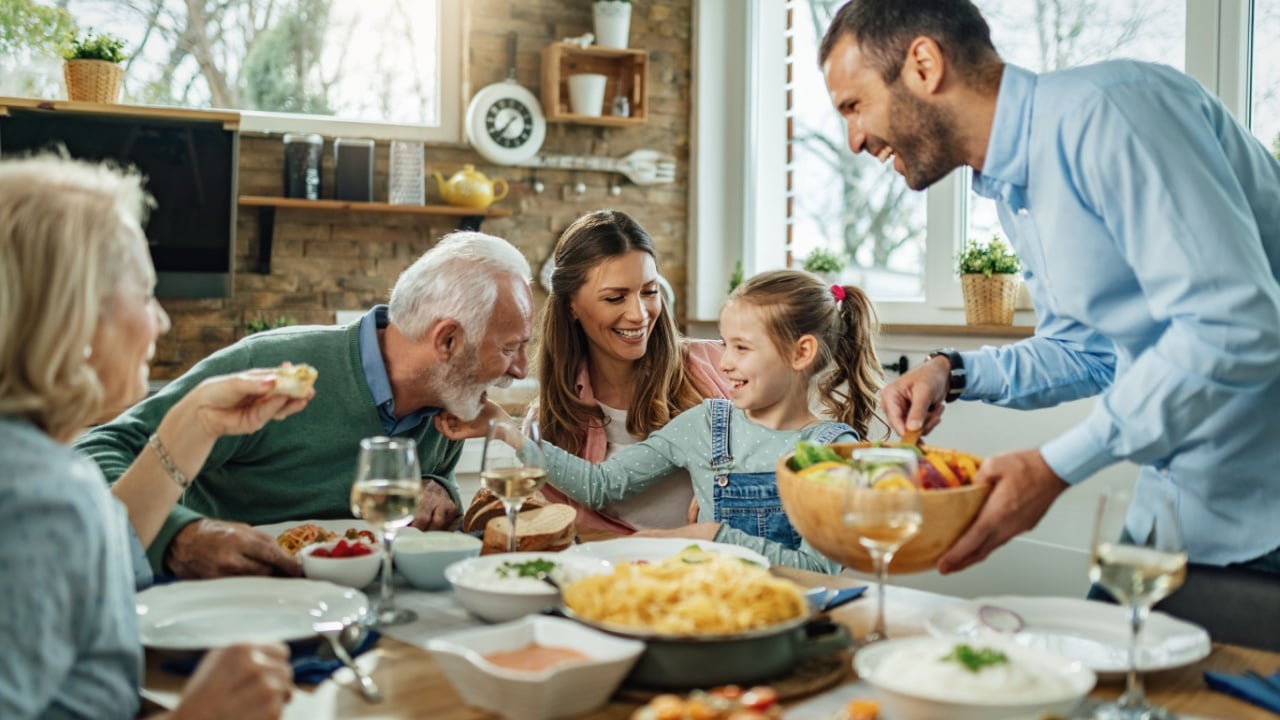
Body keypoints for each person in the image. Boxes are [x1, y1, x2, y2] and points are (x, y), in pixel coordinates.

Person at [820, 0, 1280, 575]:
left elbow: (1235, 326)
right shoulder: (1017, 188)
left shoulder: (1113, 112)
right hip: (1176, 515)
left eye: (854, 106)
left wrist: (1055, 467)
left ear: (923, 65)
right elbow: (1089, 352)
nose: (854, 140)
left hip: (1265, 521)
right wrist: (950, 371)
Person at [0, 155, 298, 719]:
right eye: (144, 294)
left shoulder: (30, 464)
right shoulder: (39, 496)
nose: (160, 321)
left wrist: (198, 419)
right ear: (75, 317)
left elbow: (101, 554)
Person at [76, 230, 534, 579]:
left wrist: (440, 490)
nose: (520, 369)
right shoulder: (271, 365)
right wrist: (178, 535)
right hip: (224, 604)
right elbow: (96, 453)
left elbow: (430, 496)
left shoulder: (451, 400)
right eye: (511, 347)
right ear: (448, 339)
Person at [441, 270, 883, 572]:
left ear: (801, 352)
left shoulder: (830, 450)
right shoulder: (708, 424)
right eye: (725, 345)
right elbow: (601, 485)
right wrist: (508, 432)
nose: (725, 363)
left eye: (742, 349)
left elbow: (819, 569)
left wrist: (714, 536)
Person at [530, 209, 731, 533]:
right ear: (571, 305)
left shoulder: (720, 366)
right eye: (614, 297)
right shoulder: (550, 423)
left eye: (649, 292)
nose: (638, 314)